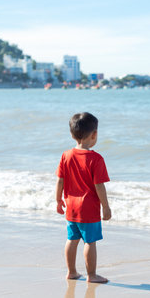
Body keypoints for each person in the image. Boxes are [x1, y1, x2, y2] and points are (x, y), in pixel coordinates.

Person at [56, 112, 111, 284]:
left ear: (72, 134)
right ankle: (92, 275)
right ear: (94, 135)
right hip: (88, 209)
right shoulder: (96, 159)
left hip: (71, 207)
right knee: (90, 242)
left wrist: (58, 200)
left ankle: (71, 272)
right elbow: (99, 186)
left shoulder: (66, 155)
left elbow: (60, 180)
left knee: (72, 239)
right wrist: (106, 207)